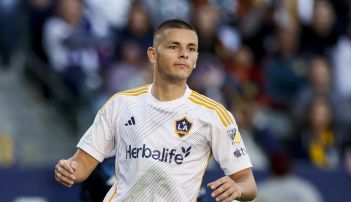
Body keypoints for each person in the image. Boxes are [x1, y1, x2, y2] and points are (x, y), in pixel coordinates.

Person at [54, 19, 257, 201]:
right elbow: (82, 163)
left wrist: (238, 188)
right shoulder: (120, 104)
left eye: (191, 49)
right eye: (174, 46)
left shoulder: (214, 114)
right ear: (153, 54)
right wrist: (70, 170)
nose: (184, 54)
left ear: (195, 59)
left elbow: (248, 183)